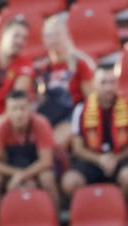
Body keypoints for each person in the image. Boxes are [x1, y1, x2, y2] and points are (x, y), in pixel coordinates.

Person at [61, 64, 128, 208]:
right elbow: (77, 147)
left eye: (112, 82)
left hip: (121, 157)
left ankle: (123, 214)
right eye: (103, 83)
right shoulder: (81, 109)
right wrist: (100, 159)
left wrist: (115, 158)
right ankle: (90, 213)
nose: (108, 88)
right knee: (70, 182)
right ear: (94, 84)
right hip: (91, 159)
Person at [0, 91, 58, 220]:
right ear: (7, 111)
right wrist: (16, 174)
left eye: (22, 108)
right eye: (14, 109)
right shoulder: (1, 126)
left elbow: (46, 161)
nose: (18, 114)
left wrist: (22, 176)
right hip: (12, 167)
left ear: (30, 109)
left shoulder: (40, 123)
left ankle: (54, 222)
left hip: (36, 166)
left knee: (47, 178)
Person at [36, 14, 96, 151]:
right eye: (49, 36)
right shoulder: (43, 68)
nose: (53, 40)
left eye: (57, 35)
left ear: (66, 36)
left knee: (54, 144)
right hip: (50, 114)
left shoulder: (79, 63)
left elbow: (91, 98)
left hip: (73, 113)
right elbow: (41, 98)